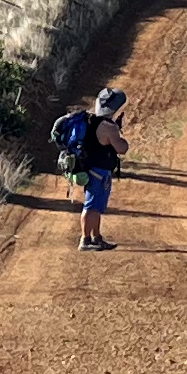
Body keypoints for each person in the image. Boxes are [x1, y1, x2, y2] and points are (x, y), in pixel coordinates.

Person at [69, 79, 128, 250]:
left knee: (96, 206)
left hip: (91, 169)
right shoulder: (109, 127)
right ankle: (85, 240)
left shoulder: (91, 121)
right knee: (92, 206)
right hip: (99, 172)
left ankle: (96, 237)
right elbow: (122, 148)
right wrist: (119, 133)